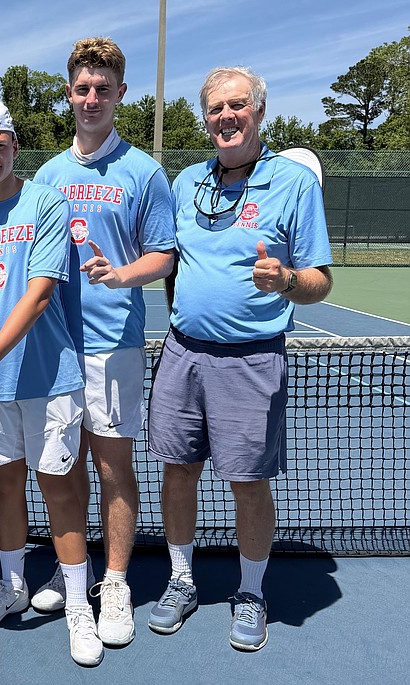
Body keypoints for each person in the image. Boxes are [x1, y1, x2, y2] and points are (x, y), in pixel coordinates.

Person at [146, 66, 333, 651]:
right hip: (182, 354)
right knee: (178, 472)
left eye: (237, 106)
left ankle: (251, 591)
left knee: (248, 481)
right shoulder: (187, 182)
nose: (226, 117)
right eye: (215, 109)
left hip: (252, 361)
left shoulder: (294, 183)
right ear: (206, 119)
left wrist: (284, 281)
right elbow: (173, 261)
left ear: (258, 112)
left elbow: (320, 281)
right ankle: (181, 580)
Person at [0, 100, 103, 666]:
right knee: (5, 487)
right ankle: (11, 585)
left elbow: (37, 296)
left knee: (57, 486)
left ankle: (79, 606)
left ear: (14, 147)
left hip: (50, 378)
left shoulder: (47, 202)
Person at [32, 36, 175, 647]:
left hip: (114, 345)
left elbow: (165, 256)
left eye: (103, 88)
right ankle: (76, 573)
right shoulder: (47, 174)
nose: (92, 98)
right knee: (61, 471)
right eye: (82, 88)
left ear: (121, 95)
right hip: (55, 347)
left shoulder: (143, 171)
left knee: (113, 467)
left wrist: (122, 274)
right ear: (70, 94)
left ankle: (114, 583)